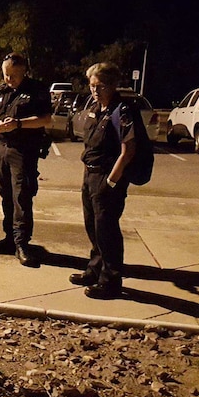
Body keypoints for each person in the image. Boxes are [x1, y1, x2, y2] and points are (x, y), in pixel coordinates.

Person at [69, 62, 136, 299]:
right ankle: (95, 268)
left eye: (100, 85)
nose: (95, 90)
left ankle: (111, 280)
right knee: (93, 225)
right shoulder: (97, 108)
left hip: (107, 177)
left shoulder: (122, 110)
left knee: (107, 229)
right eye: (91, 85)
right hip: (90, 174)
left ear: (113, 85)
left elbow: (128, 150)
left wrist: (111, 182)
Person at [0, 53, 53, 267]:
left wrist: (19, 124)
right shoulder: (0, 92)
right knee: (5, 193)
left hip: (23, 151)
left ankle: (22, 244)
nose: (9, 79)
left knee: (22, 196)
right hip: (1, 149)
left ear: (24, 71)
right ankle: (9, 239)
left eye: (13, 75)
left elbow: (46, 119)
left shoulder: (37, 91)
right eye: (6, 74)